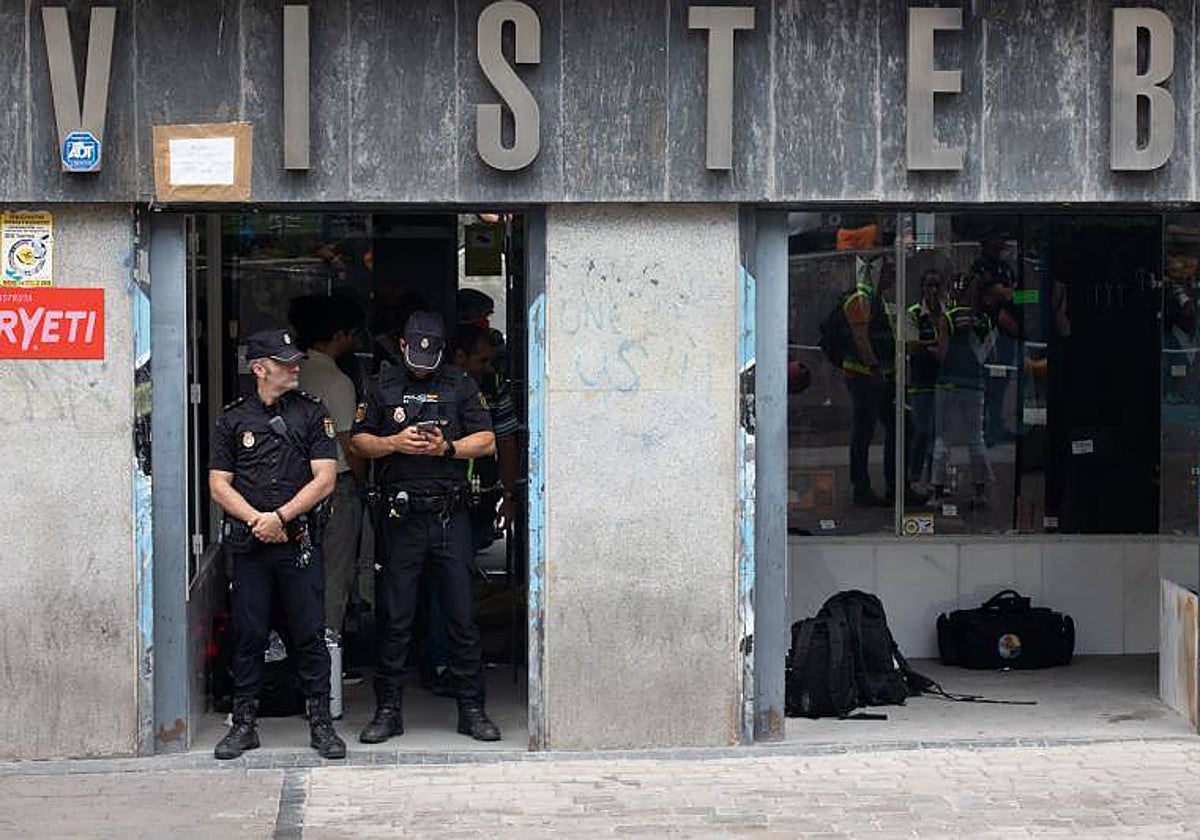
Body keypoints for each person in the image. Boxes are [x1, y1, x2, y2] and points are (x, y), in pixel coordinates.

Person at [350, 311, 502, 743]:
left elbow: (488, 440)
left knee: (460, 616)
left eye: (429, 357)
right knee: (395, 617)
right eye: (415, 356)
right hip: (402, 518)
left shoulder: (460, 384)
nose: (422, 364)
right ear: (402, 345)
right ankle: (387, 710)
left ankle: (472, 709)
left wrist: (447, 448)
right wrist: (394, 443)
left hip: (449, 514)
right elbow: (358, 440)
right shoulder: (381, 386)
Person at [208, 328, 346, 760]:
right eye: (285, 361)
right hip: (251, 546)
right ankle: (244, 723)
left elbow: (324, 479)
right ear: (259, 368)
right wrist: (256, 521)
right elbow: (217, 484)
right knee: (249, 633)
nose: (294, 367)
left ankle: (321, 722)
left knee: (309, 633)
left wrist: (281, 517)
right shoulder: (232, 419)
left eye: (295, 360)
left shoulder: (312, 413)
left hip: (298, 541)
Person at [289, 295, 368, 663]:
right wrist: (365, 483)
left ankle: (296, 653)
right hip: (335, 487)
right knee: (335, 573)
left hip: (291, 489)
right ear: (338, 335)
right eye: (350, 335)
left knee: (297, 572)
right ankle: (328, 660)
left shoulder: (289, 372)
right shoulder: (338, 381)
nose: (352, 342)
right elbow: (349, 444)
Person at [929, 277, 1006, 509]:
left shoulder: (948, 318)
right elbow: (991, 356)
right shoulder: (984, 321)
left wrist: (930, 349)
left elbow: (941, 355)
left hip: (947, 385)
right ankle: (980, 490)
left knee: (942, 439)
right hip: (974, 385)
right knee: (976, 438)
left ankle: (937, 492)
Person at [841, 254, 897, 506]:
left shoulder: (876, 298)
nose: (893, 276)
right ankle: (861, 489)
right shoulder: (862, 296)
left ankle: (894, 485)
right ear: (876, 271)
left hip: (876, 377)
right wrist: (874, 368)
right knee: (863, 432)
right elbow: (860, 337)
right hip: (864, 378)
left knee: (895, 427)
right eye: (889, 270)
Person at [971, 231, 1019, 446]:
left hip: (1009, 332)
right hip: (989, 332)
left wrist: (1027, 296)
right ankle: (986, 431)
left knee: (1002, 382)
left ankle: (996, 427)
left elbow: (1020, 294)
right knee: (990, 382)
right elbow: (1001, 294)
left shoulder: (1006, 268)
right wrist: (1012, 294)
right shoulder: (982, 266)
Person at [905, 270, 945, 490]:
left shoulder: (946, 312)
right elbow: (911, 344)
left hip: (942, 380)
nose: (934, 290)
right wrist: (934, 347)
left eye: (937, 285)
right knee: (921, 430)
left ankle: (935, 478)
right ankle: (914, 476)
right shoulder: (913, 313)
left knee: (939, 432)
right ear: (922, 287)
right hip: (920, 379)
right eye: (930, 285)